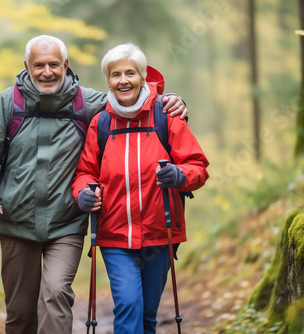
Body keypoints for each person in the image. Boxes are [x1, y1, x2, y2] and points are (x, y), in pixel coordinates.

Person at [0, 35, 187, 334]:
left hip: (65, 225)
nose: (47, 71)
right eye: (39, 65)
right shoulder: (9, 103)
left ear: (65, 65)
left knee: (56, 293)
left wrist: (170, 101)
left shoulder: (87, 102)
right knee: (19, 313)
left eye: (54, 64)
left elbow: (131, 102)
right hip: (15, 223)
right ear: (27, 66)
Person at [72, 43, 209, 334]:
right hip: (114, 236)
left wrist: (179, 175)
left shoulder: (166, 118)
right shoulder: (102, 122)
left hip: (162, 233)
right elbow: (85, 172)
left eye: (130, 73)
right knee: (128, 306)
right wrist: (83, 193)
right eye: (116, 74)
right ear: (108, 80)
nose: (123, 80)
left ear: (143, 77)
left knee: (147, 314)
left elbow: (197, 166)